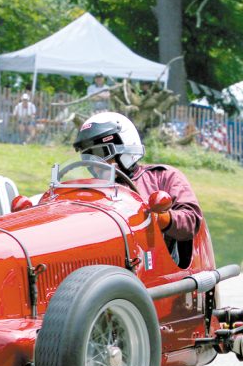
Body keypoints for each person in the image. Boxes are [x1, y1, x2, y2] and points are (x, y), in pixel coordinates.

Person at [73, 111, 203, 260]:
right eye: (88, 157)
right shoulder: (89, 190)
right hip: (104, 262)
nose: (95, 164)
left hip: (153, 267)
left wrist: (161, 218)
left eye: (101, 153)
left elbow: (191, 221)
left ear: (125, 145)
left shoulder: (163, 176)